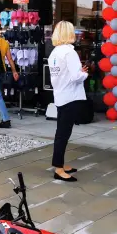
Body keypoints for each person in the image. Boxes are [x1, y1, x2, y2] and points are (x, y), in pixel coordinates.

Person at [48, 21, 88, 182]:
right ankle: (58, 167)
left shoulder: (54, 53)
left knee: (62, 132)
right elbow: (76, 76)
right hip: (71, 96)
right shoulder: (69, 53)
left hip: (61, 95)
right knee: (63, 133)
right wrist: (84, 73)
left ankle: (60, 164)